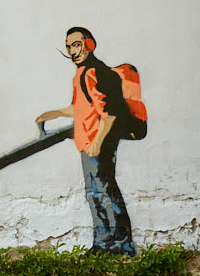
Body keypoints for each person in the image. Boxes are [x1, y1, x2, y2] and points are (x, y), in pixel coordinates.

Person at [35, 27, 145, 255]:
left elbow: (110, 112)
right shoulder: (82, 74)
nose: (72, 51)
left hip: (99, 143)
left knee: (106, 193)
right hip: (87, 143)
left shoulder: (99, 72)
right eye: (68, 46)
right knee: (95, 195)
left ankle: (122, 246)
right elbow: (82, 107)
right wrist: (54, 113)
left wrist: (97, 142)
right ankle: (103, 244)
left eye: (76, 44)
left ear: (89, 44)